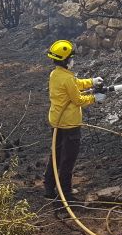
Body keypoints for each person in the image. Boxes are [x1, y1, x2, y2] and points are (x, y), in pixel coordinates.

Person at [45, 39, 105, 203]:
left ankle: (49, 187)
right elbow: (78, 100)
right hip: (70, 125)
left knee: (56, 155)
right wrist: (95, 98)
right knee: (68, 159)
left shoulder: (56, 74)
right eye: (71, 57)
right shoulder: (67, 78)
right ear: (66, 60)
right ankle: (65, 193)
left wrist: (91, 82)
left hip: (56, 122)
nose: (73, 60)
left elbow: (74, 84)